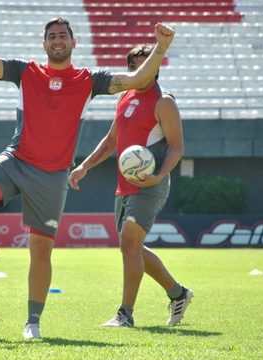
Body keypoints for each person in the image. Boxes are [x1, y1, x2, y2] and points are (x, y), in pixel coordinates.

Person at [0, 4, 175, 339]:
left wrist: (160, 46)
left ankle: (32, 323)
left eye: (62, 35)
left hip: (53, 175)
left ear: (74, 42)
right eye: (51, 36)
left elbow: (137, 79)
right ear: (44, 45)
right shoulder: (25, 71)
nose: (57, 40)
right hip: (17, 160)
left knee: (40, 250)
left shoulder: (89, 80)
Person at [68, 44, 193, 328]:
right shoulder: (124, 96)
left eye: (147, 64)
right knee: (132, 247)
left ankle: (125, 315)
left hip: (150, 185)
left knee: (129, 244)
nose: (142, 70)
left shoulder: (165, 102)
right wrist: (84, 166)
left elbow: (177, 148)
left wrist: (158, 177)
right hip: (123, 186)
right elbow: (111, 140)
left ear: (156, 66)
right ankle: (178, 294)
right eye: (136, 65)